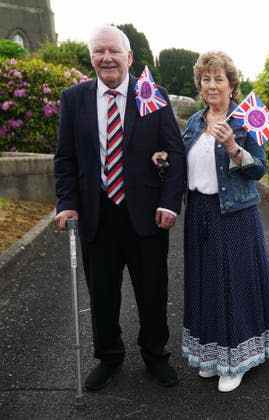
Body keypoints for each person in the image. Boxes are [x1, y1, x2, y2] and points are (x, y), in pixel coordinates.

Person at [154, 51, 269, 393]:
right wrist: (163, 160)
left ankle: (237, 361)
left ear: (232, 84)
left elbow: (258, 170)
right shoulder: (192, 123)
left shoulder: (246, 119)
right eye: (206, 79)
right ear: (199, 84)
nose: (212, 85)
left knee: (233, 285)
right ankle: (213, 356)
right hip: (199, 213)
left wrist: (233, 146)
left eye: (219, 78)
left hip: (234, 215)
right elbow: (185, 167)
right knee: (204, 283)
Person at [54, 25, 186, 391]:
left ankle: (155, 355)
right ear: (92, 57)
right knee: (103, 294)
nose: (106, 58)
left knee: (152, 292)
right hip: (97, 214)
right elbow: (65, 158)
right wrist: (66, 203)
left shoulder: (152, 96)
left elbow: (174, 153)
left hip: (145, 215)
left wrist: (170, 203)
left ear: (129, 58)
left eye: (114, 51)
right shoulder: (74, 98)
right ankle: (109, 356)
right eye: (99, 51)